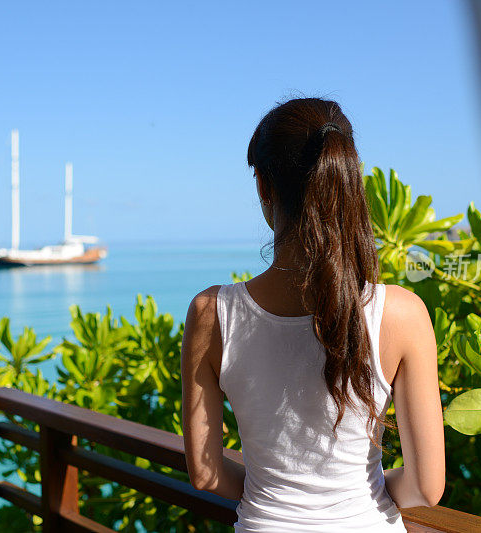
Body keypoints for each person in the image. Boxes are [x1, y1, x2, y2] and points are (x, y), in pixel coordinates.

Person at [181, 97, 445, 532]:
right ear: (345, 180)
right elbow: (426, 488)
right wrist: (361, 495)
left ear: (264, 186)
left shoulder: (211, 313)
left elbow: (207, 474)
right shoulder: (401, 313)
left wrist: (276, 497)